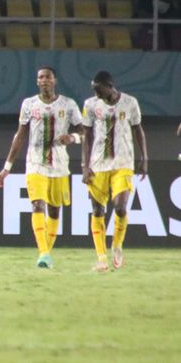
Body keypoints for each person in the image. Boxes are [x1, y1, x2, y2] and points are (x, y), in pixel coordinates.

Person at [0, 67, 83, 269]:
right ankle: (43, 253)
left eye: (47, 77)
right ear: (37, 82)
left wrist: (73, 138)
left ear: (54, 80)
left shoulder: (68, 105)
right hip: (35, 163)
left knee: (54, 210)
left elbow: (85, 132)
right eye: (40, 77)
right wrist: (7, 167)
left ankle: (46, 253)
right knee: (37, 205)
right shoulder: (29, 104)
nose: (43, 80)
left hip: (59, 165)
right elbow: (20, 135)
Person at [81, 71, 148, 272]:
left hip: (123, 163)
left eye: (98, 89)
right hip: (98, 164)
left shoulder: (130, 103)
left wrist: (145, 158)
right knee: (97, 210)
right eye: (93, 89)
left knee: (120, 206)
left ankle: (117, 246)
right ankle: (101, 258)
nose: (96, 93)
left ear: (109, 85)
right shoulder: (91, 105)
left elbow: (138, 130)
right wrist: (85, 166)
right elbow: (86, 135)